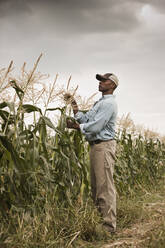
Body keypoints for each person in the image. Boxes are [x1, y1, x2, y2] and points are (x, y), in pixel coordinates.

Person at [65, 73, 119, 233]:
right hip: (96, 147)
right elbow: (85, 119)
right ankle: (101, 221)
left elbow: (96, 126)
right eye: (100, 80)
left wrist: (75, 127)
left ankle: (108, 227)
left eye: (104, 80)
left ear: (113, 85)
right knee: (96, 187)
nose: (101, 83)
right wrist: (74, 105)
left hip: (103, 146)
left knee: (105, 187)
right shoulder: (100, 102)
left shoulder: (109, 104)